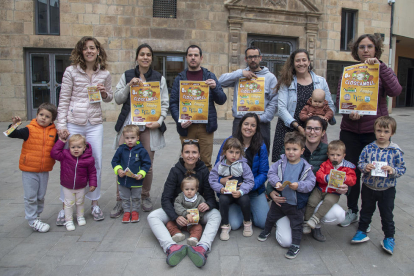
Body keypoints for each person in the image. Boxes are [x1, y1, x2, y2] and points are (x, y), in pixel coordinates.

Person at [336, 34, 402, 227]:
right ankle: (352, 210)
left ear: (376, 50)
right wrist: (349, 113)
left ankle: (367, 213)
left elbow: (395, 91)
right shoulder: (349, 72)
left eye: (369, 46)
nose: (365, 50)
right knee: (351, 171)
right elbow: (343, 99)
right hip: (350, 130)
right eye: (362, 47)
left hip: (373, 132)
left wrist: (381, 67)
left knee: (372, 173)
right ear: (356, 51)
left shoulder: (382, 70)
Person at [56, 36, 113, 223]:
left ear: (98, 51)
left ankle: (94, 204)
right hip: (74, 122)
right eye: (85, 48)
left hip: (94, 124)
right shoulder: (71, 72)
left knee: (95, 161)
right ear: (81, 51)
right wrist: (61, 125)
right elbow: (63, 100)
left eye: (93, 48)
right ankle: (66, 206)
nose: (89, 51)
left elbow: (108, 97)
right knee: (70, 163)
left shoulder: (104, 73)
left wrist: (104, 92)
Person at [267, 116, 349, 245]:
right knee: (286, 242)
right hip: (290, 201)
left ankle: (315, 224)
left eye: (317, 129)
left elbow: (342, 172)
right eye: (309, 128)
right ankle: (281, 219)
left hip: (314, 198)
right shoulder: (292, 147)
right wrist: (271, 191)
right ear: (304, 130)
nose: (312, 132)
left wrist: (344, 187)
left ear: (323, 132)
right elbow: (275, 171)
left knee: (339, 214)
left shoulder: (328, 151)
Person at [111, 43, 169, 217]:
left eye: (148, 54)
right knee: (122, 160)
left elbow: (164, 103)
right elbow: (117, 99)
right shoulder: (128, 75)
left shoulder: (159, 78)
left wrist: (159, 122)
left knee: (147, 165)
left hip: (149, 126)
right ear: (137, 57)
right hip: (130, 126)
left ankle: (144, 195)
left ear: (152, 58)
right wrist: (129, 85)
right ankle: (120, 200)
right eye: (142, 54)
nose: (145, 57)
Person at [147, 140, 220, 268]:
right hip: (178, 210)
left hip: (197, 213)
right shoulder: (175, 171)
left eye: (194, 152)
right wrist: (175, 216)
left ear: (199, 154)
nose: (190, 155)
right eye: (187, 152)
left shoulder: (204, 171)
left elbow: (210, 197)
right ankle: (171, 247)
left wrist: (207, 204)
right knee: (152, 216)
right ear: (181, 154)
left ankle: (202, 247)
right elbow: (166, 198)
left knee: (216, 215)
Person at [351, 116, 406, 255]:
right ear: (374, 131)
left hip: (387, 189)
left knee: (387, 214)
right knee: (365, 211)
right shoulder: (368, 148)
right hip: (369, 187)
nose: (382, 134)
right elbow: (360, 163)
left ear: (392, 133)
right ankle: (362, 231)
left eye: (386, 131)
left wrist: (392, 170)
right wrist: (365, 167)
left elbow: (402, 169)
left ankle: (389, 237)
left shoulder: (396, 151)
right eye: (379, 130)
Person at [258, 132, 316, 259]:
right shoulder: (280, 162)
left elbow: (311, 184)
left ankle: (295, 244)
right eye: (288, 149)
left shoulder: (306, 167)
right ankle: (266, 231)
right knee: (270, 216)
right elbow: (271, 173)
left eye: (295, 149)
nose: (291, 152)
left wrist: (299, 185)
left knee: (296, 224)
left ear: (302, 151)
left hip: (295, 204)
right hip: (280, 201)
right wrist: (276, 182)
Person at [272, 49, 335, 162]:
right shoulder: (287, 81)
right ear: (293, 63)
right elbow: (281, 109)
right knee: (285, 164)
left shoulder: (321, 81)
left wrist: (324, 118)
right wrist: (298, 127)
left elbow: (330, 105)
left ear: (309, 62)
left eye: (304, 60)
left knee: (314, 163)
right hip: (289, 128)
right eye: (297, 61)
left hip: (313, 130)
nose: (301, 63)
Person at [170, 45, 227, 170]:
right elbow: (173, 103)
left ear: (201, 58)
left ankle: (205, 189)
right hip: (187, 126)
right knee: (188, 161)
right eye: (190, 55)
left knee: (206, 162)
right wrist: (179, 120)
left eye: (196, 55)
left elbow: (222, 100)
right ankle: (189, 189)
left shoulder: (209, 75)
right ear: (186, 58)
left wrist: (214, 88)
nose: (193, 58)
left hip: (205, 127)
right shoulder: (180, 78)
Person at [7, 103, 58, 232]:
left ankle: (37, 217)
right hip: (29, 170)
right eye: (41, 115)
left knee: (40, 196)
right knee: (30, 196)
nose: (43, 118)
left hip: (44, 170)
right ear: (36, 115)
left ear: (52, 120)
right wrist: (15, 125)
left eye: (47, 116)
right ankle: (32, 219)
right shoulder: (29, 129)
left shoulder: (54, 132)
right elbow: (10, 134)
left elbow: (58, 148)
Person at [215, 113, 269, 230]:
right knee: (234, 225)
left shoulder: (261, 145)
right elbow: (216, 167)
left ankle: (250, 208)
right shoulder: (228, 142)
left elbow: (264, 173)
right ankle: (242, 208)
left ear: (256, 128)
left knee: (263, 222)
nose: (249, 128)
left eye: (253, 125)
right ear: (240, 125)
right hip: (232, 190)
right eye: (246, 124)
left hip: (253, 190)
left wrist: (249, 186)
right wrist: (221, 180)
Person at [218, 46, 278, 153]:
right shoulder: (240, 75)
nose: (253, 60)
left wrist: (264, 117)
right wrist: (241, 73)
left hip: (261, 122)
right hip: (240, 121)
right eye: (250, 57)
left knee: (261, 153)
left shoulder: (270, 77)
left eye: (255, 57)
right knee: (236, 152)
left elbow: (274, 100)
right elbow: (220, 81)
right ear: (246, 59)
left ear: (260, 58)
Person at [303, 140, 356, 233]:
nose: (335, 157)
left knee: (328, 202)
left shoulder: (347, 167)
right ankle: (306, 221)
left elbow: (353, 180)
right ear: (328, 154)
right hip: (320, 189)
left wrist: (344, 178)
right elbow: (318, 175)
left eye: (338, 155)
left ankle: (315, 219)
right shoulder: (326, 164)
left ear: (344, 155)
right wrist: (326, 178)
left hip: (334, 192)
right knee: (311, 202)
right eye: (332, 155)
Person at [209, 138, 255, 240]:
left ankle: (247, 222)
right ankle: (225, 225)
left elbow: (250, 181)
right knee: (223, 200)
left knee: (245, 200)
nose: (234, 155)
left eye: (237, 152)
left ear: (241, 153)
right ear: (225, 152)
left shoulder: (243, 165)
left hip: (239, 191)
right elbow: (212, 179)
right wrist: (220, 189)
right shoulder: (220, 165)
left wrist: (242, 190)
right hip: (226, 192)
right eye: (231, 152)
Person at [51, 134, 97, 231]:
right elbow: (54, 153)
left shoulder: (89, 159)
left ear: (84, 147)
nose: (76, 149)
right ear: (69, 147)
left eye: (79, 147)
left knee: (80, 202)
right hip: (67, 185)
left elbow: (92, 172)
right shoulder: (65, 155)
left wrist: (93, 183)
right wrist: (61, 142)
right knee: (68, 203)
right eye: (73, 147)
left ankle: (80, 216)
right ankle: (68, 220)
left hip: (81, 186)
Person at [111, 125, 152, 223]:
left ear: (138, 138)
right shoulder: (121, 149)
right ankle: (126, 212)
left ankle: (135, 211)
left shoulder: (141, 150)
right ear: (124, 138)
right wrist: (118, 170)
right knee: (124, 197)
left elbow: (146, 163)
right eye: (127, 138)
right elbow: (114, 161)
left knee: (136, 198)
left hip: (136, 181)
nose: (130, 140)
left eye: (132, 138)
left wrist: (141, 174)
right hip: (123, 180)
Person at [166, 174, 205, 246]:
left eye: (192, 189)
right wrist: (185, 213)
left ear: (196, 189)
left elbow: (202, 209)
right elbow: (177, 206)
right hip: (180, 220)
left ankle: (194, 238)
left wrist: (199, 216)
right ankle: (177, 233)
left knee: (198, 228)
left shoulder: (200, 199)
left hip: (192, 222)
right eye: (186, 189)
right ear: (182, 189)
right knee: (170, 224)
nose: (189, 191)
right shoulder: (180, 197)